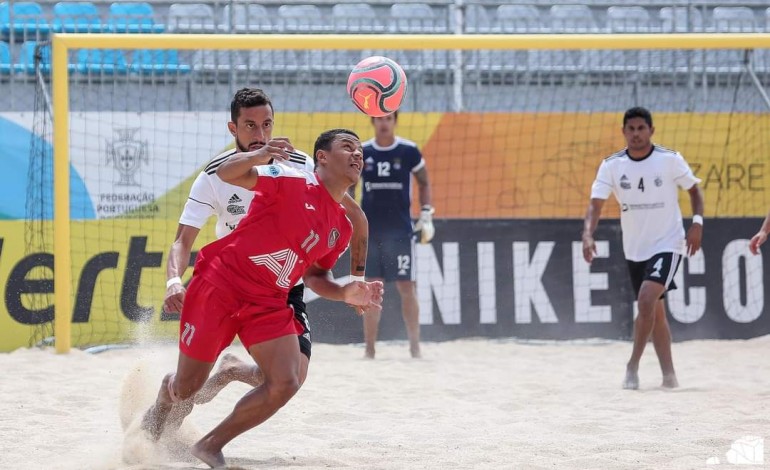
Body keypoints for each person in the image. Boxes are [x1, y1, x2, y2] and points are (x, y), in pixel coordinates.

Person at [142, 129, 383, 467]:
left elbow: (315, 276)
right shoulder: (292, 179)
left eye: (360, 151)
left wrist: (345, 291)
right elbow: (227, 173)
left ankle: (209, 445)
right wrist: (258, 155)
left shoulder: (342, 227)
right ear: (322, 158)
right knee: (185, 389)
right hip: (220, 286)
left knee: (288, 381)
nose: (357, 155)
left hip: (268, 300)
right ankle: (159, 410)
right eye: (347, 147)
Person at [162, 88, 370, 405]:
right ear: (233, 128)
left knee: (292, 376)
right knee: (188, 388)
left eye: (267, 124)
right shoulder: (213, 176)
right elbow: (182, 240)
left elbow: (357, 218)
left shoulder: (300, 165)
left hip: (283, 287)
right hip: (232, 282)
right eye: (250, 126)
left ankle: (232, 370)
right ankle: (166, 411)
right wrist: (174, 281)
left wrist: (357, 277)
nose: (261, 134)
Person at [581, 106, 704, 390]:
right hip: (635, 248)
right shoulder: (612, 165)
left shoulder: (669, 159)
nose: (636, 134)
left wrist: (696, 223)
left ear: (651, 130)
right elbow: (594, 205)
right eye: (631, 129)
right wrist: (587, 235)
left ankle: (632, 366)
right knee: (656, 312)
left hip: (669, 242)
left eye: (641, 128)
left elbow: (694, 190)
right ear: (623, 132)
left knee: (647, 300)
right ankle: (669, 375)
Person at [358, 110, 434, 359]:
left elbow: (424, 181)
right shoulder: (362, 152)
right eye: (379, 118)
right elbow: (347, 184)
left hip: (401, 232)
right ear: (373, 121)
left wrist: (426, 213)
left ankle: (415, 347)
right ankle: (369, 350)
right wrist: (346, 216)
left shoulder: (409, 150)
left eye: (388, 118)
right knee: (371, 290)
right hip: (371, 232)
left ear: (394, 121)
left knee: (407, 286)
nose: (383, 123)